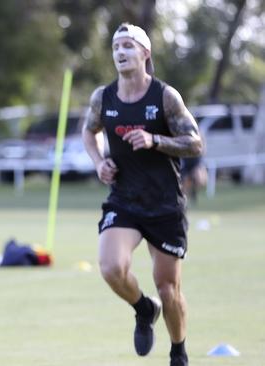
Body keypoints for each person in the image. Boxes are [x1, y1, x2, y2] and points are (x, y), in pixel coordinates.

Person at [81, 23, 203, 366]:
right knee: (111, 268)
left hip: (164, 204)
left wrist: (155, 140)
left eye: (128, 46)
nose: (120, 52)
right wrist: (98, 161)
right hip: (125, 200)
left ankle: (178, 350)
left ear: (145, 54)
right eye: (116, 46)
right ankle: (143, 308)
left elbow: (195, 143)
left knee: (168, 288)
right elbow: (89, 132)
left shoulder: (165, 96)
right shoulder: (103, 97)